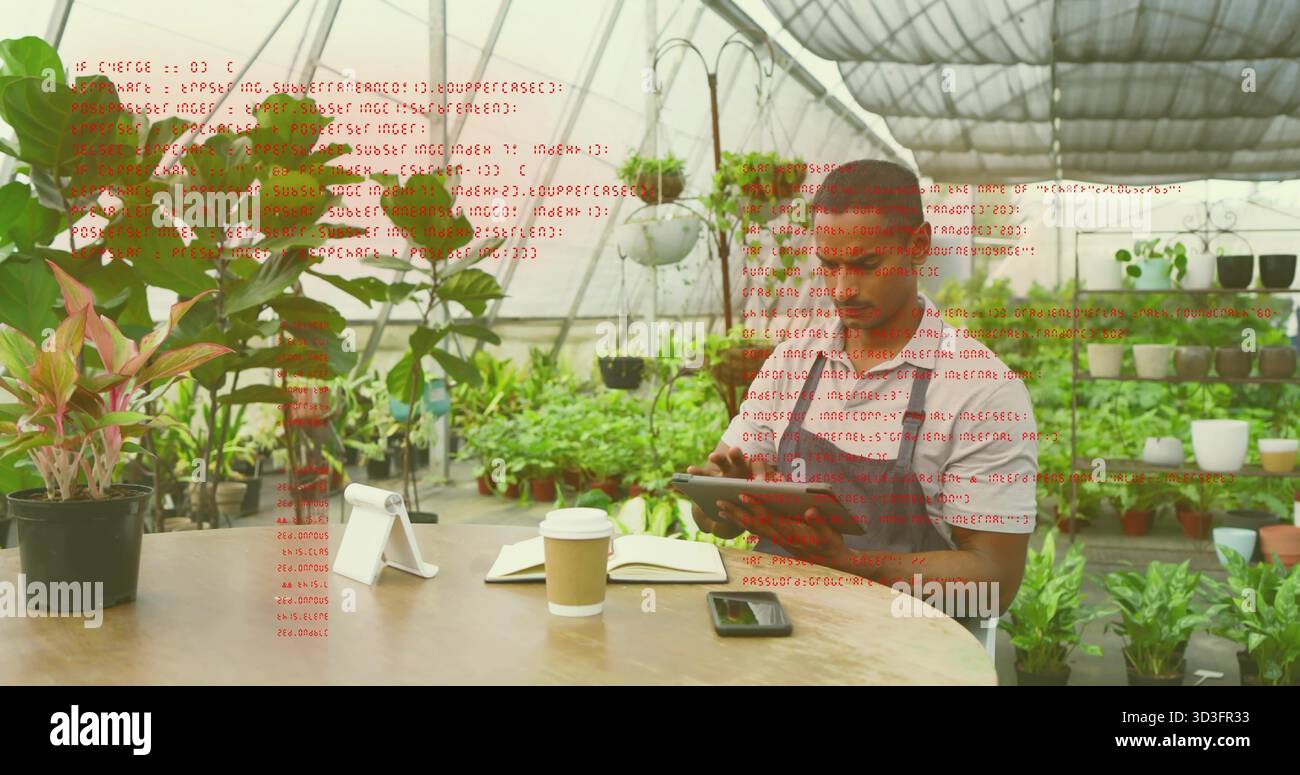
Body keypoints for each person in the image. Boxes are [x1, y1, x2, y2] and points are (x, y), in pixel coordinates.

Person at [687, 159, 1037, 619]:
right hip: (772, 626)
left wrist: (851, 565)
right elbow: (714, 520)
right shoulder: (793, 361)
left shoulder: (981, 392)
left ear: (918, 245)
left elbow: (995, 580)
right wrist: (720, 501)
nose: (843, 289)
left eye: (865, 264)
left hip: (904, 649)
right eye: (829, 266)